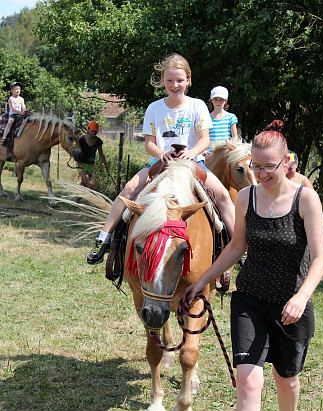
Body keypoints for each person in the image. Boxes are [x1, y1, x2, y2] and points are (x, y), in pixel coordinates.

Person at [186, 120, 323, 411]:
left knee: (287, 379)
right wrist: (204, 278)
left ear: (287, 163)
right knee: (248, 379)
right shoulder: (246, 197)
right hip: (249, 300)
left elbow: (320, 257)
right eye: (257, 165)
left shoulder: (305, 199)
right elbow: (236, 246)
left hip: (290, 307)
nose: (262, 173)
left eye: (270, 166)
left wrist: (301, 297)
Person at [87, 54, 236, 265]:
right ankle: (104, 238)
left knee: (222, 196)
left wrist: (192, 153)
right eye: (169, 80)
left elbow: (204, 140)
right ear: (162, 81)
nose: (175, 85)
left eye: (179, 80)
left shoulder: (198, 106)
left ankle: (240, 246)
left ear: (188, 80)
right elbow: (149, 143)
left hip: (192, 164)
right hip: (160, 164)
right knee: (128, 190)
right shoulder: (154, 108)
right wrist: (161, 154)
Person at [205, 86, 238, 155]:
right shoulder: (206, 117)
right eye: (216, 99)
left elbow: (235, 136)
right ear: (211, 100)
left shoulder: (231, 117)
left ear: (226, 101)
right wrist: (203, 150)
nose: (218, 102)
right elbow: (204, 136)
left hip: (225, 153)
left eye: (221, 99)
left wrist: (231, 148)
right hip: (210, 154)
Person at [77, 121, 109, 190]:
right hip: (81, 165)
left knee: (83, 184)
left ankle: (77, 200)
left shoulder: (98, 141)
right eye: (92, 131)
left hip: (91, 166)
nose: (94, 133)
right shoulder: (81, 140)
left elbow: (101, 154)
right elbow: (76, 153)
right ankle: (91, 201)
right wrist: (78, 163)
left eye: (95, 131)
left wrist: (106, 165)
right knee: (90, 184)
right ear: (88, 130)